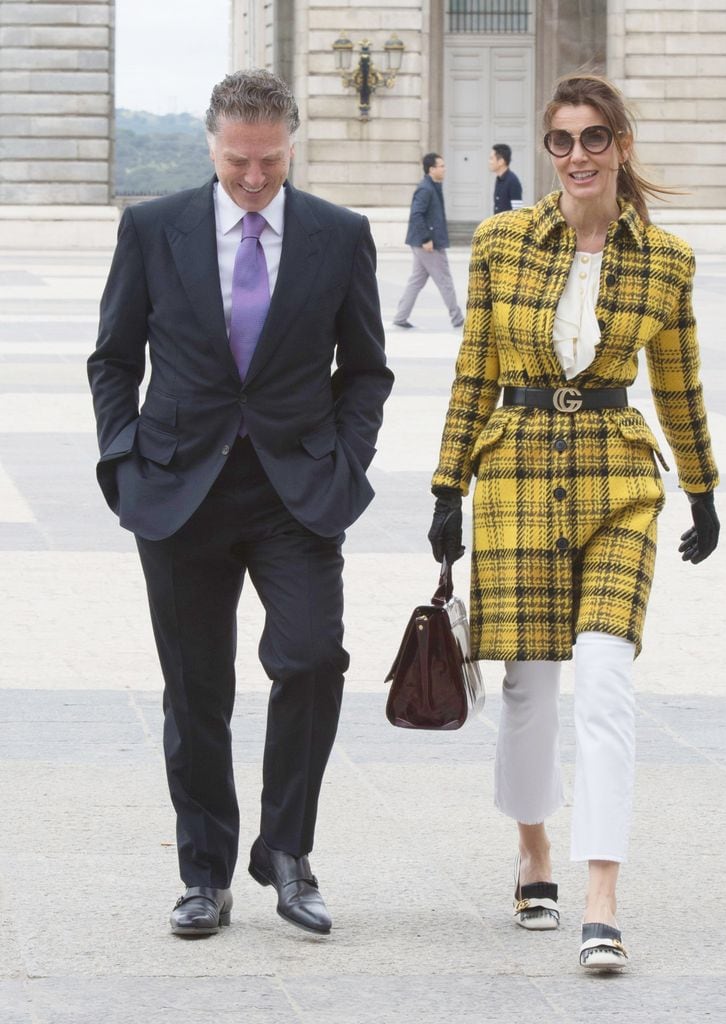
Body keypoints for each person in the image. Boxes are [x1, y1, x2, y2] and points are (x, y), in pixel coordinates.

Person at [88, 70, 393, 939]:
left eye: (268, 161)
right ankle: (204, 876)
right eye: (236, 162)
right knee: (195, 692)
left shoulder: (339, 235)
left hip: (296, 492)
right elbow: (112, 358)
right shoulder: (154, 228)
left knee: (310, 661)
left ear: (292, 144)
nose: (253, 179)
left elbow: (365, 370)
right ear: (211, 145)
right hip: (179, 489)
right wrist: (123, 460)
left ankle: (288, 855)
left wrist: (345, 460)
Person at [427, 73, 719, 970]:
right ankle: (534, 850)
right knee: (529, 691)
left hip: (619, 478)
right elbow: (476, 365)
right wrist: (446, 486)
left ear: (621, 147)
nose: (579, 156)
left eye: (596, 139)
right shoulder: (504, 241)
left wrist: (703, 489)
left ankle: (601, 896)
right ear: (547, 151)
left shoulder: (666, 260)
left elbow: (678, 380)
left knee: (604, 678)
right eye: (562, 141)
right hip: (514, 472)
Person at [393, 153, 464, 330]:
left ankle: (400, 317)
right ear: (431, 169)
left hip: (425, 241)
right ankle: (458, 319)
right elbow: (416, 214)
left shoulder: (432, 186)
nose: (444, 168)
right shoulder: (426, 189)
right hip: (428, 243)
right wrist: (426, 238)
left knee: (416, 280)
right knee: (444, 280)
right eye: (441, 166)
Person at [489, 143, 523, 213]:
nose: (489, 162)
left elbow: (518, 211)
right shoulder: (499, 179)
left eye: (491, 158)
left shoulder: (513, 181)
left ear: (501, 161)